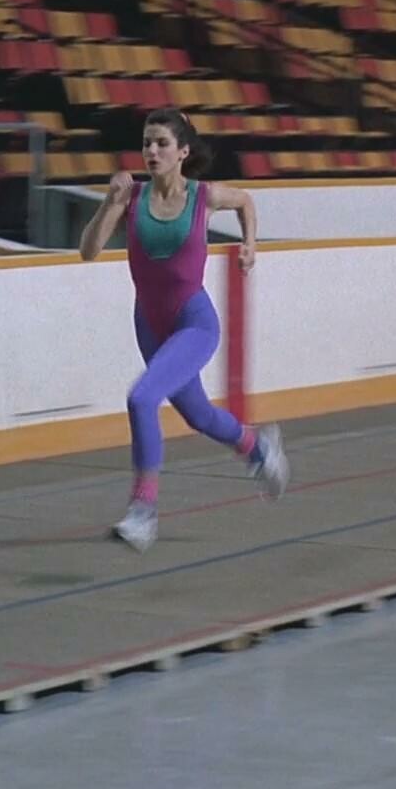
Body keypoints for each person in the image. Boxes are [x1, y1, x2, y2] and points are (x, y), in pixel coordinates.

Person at [79, 108, 288, 552]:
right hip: (150, 326)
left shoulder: (203, 196)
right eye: (146, 143)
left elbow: (245, 201)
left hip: (194, 323)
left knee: (142, 398)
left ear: (182, 152)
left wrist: (249, 245)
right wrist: (108, 203)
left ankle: (143, 511)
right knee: (198, 415)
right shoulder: (131, 197)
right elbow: (88, 251)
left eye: (162, 143)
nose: (152, 151)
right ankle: (258, 448)